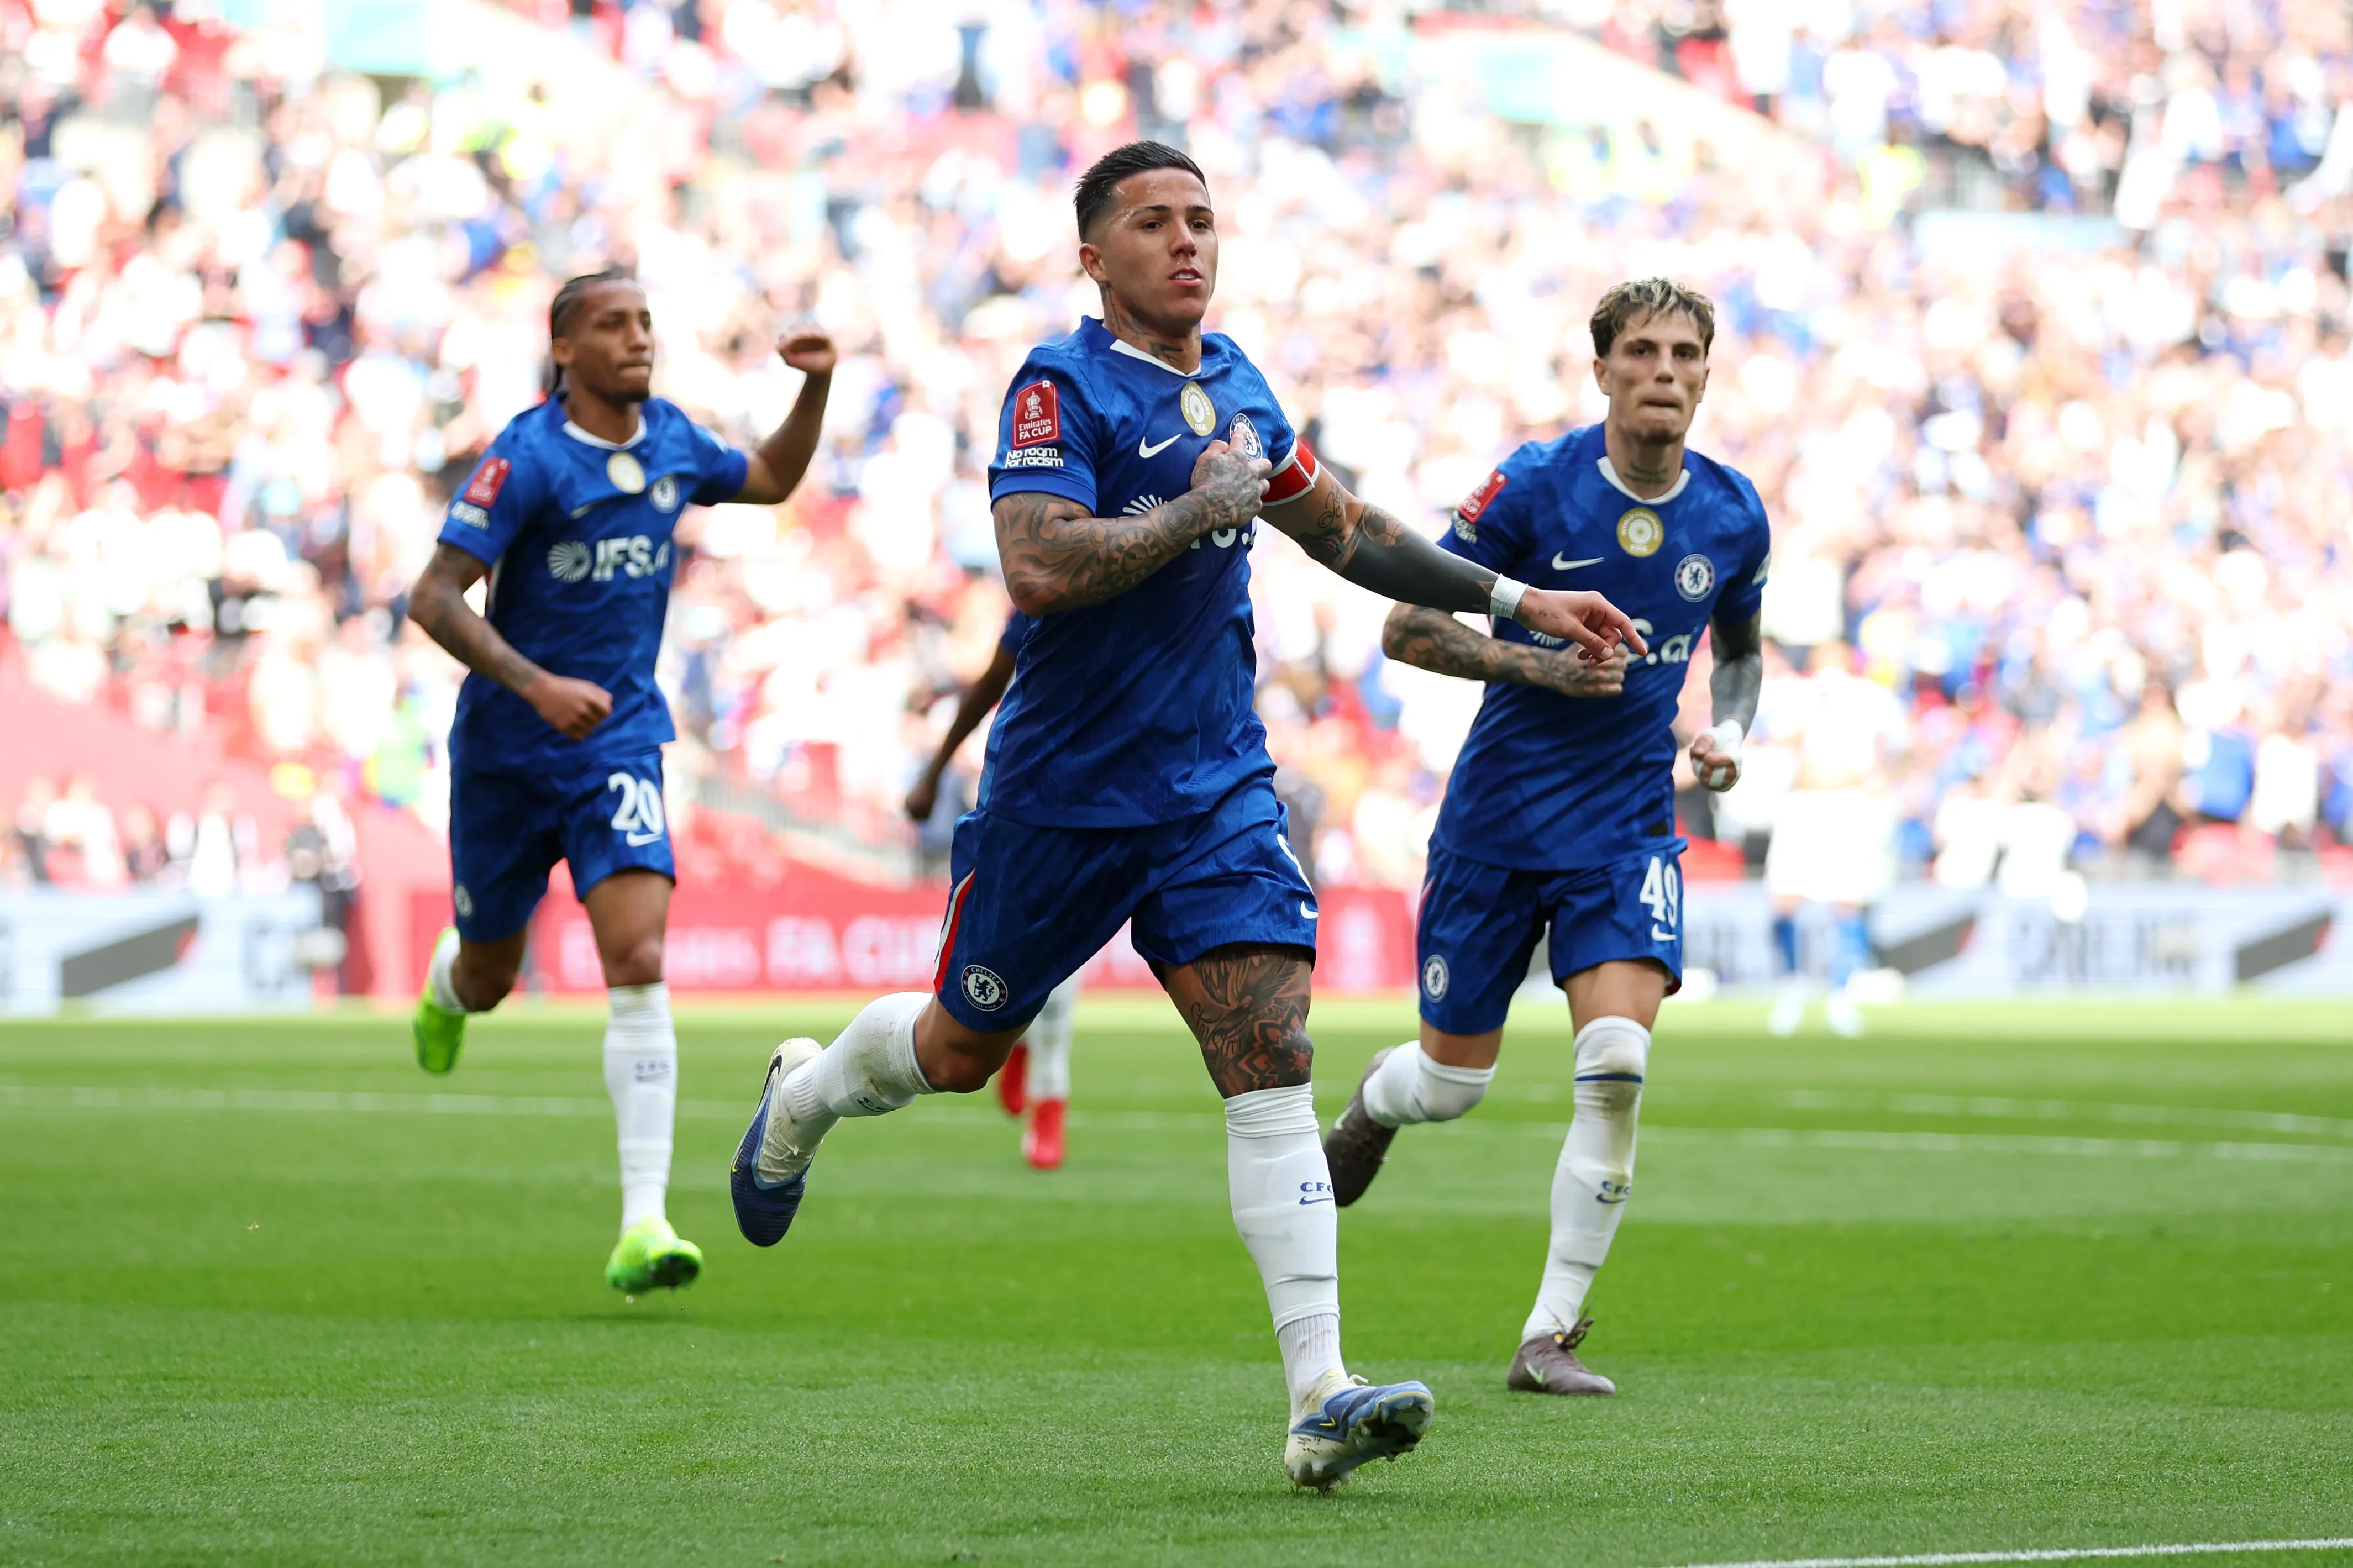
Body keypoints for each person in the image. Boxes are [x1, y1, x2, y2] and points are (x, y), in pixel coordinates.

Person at [727, 141, 1642, 1490]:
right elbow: (1036, 564)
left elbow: (1342, 528)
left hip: (1212, 786)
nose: (1186, 240)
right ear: (1093, 257)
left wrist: (1512, 601)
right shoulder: (1060, 385)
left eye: (1202, 218)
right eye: (1152, 222)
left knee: (1270, 1058)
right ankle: (801, 1097)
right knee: (960, 1046)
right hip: (1064, 795)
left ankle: (1318, 1393)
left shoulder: (1240, 383)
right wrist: (1193, 509)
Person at [1326, 280, 1769, 1398]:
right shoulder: (1532, 487)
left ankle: (1547, 1336)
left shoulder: (1732, 513)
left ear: (1704, 375)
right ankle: (1377, 1102)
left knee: (1614, 1064)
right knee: (1447, 1086)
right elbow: (1405, 623)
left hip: (1626, 833)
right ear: (1603, 371)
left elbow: (1742, 647)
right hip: (1496, 826)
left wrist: (1726, 731)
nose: (1662, 370)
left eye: (1682, 353)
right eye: (1640, 351)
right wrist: (1535, 661)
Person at [406, 266, 836, 1297]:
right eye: (612, 325)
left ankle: (643, 1222)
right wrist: (534, 682)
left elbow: (771, 479)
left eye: (645, 321)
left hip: (618, 740)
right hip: (510, 747)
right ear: (565, 349)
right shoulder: (527, 457)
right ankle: (450, 977)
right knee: (493, 977)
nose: (637, 338)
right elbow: (431, 596)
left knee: (638, 952)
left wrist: (814, 387)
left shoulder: (673, 441)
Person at [902, 608, 1081, 1171]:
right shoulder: (1048, 585)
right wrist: (933, 772)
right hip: (1026, 798)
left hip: (1104, 803)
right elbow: (991, 680)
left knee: (1066, 953)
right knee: (1009, 952)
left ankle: (1050, 1102)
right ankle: (1019, 1042)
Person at [1763, 640, 1907, 1038]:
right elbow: (1779, 739)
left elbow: (1901, 747)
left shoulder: (1873, 698)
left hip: (1849, 805)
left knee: (1848, 902)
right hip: (1804, 804)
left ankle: (1841, 996)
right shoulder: (1796, 694)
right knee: (1784, 900)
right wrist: (1816, 706)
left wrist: (1882, 778)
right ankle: (1794, 984)